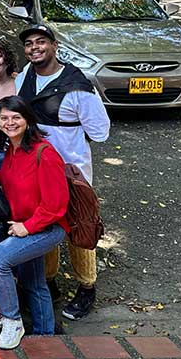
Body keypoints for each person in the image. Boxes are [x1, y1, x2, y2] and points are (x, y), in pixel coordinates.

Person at [15, 24, 110, 321]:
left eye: (41, 42)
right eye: (29, 43)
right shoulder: (23, 79)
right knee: (44, 222)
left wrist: (69, 143)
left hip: (71, 171)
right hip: (36, 168)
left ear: (55, 46)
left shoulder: (78, 86)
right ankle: (49, 280)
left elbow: (100, 131)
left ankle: (86, 286)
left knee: (79, 225)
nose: (34, 48)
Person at [0, 95, 69, 349]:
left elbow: (56, 205)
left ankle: (12, 320)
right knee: (34, 283)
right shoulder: (11, 150)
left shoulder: (44, 153)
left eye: (16, 117)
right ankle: (46, 337)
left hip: (45, 228)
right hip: (24, 225)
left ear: (28, 120)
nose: (10, 122)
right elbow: (8, 177)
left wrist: (27, 227)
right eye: (4, 118)